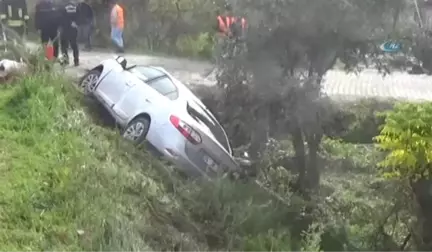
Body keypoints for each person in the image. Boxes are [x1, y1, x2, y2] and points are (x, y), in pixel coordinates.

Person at [59, 0, 80, 66]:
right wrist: (76, 23)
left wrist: (60, 26)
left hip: (65, 29)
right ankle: (76, 61)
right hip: (74, 29)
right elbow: (80, 16)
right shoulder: (75, 6)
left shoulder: (62, 6)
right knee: (74, 45)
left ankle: (66, 61)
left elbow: (61, 18)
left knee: (64, 46)